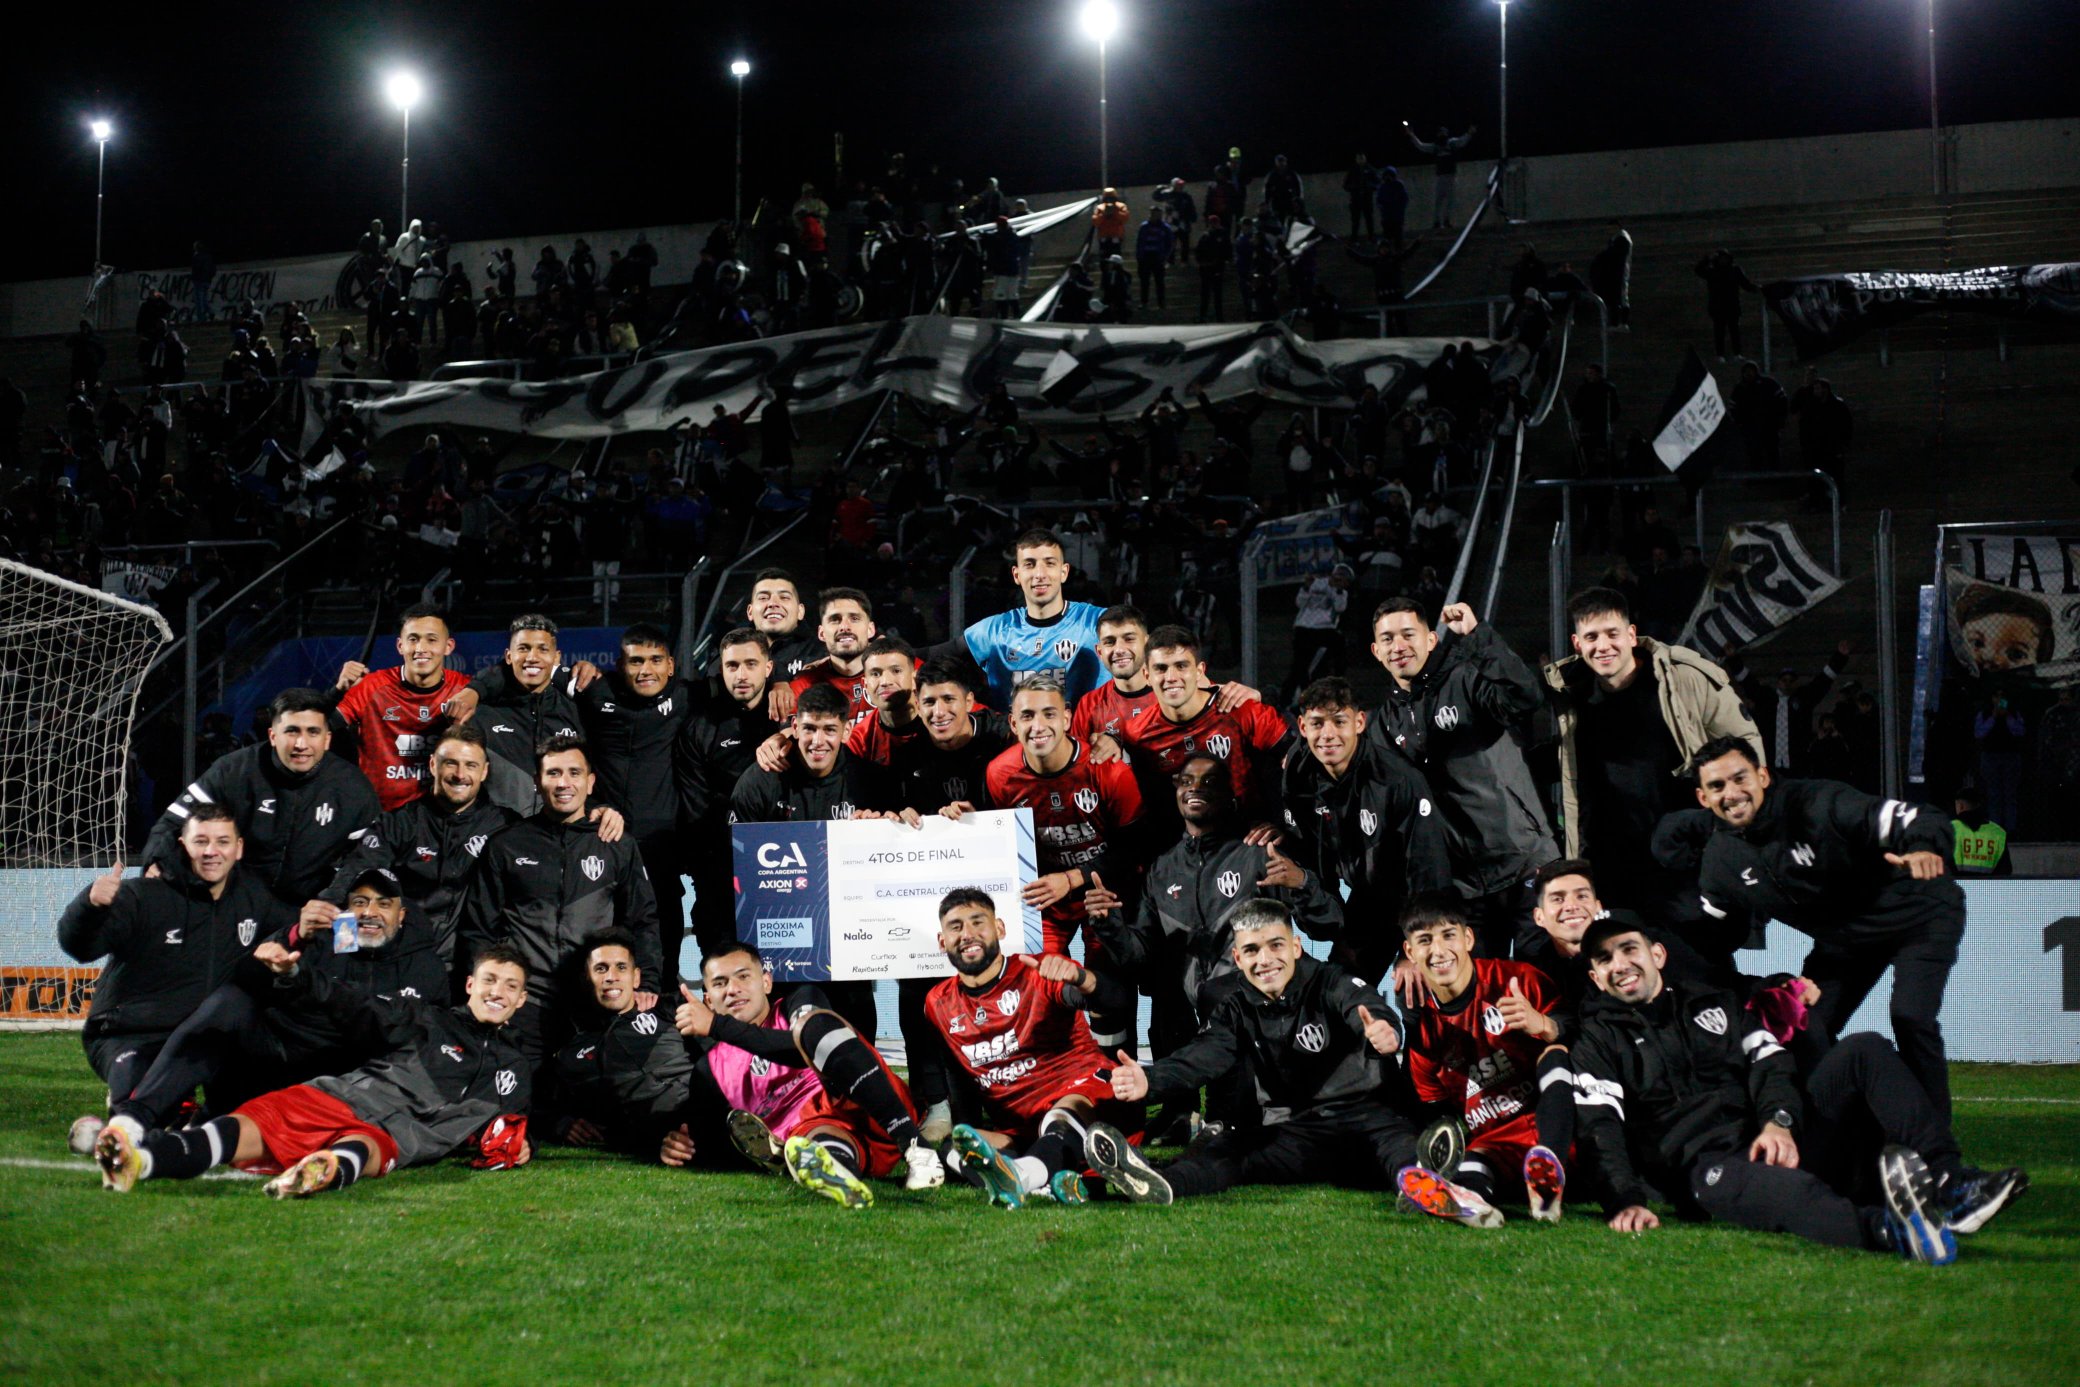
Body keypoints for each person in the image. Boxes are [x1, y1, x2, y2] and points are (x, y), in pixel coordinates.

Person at [1568, 914, 2023, 1261]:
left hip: (1779, 1139)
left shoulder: (1715, 1004)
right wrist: (1623, 1201)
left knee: (1863, 1050)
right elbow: (1598, 1127)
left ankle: (1950, 1183)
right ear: (1595, 978)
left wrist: (1778, 1121)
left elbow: (1772, 1064)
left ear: (1657, 955)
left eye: (1629, 949)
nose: (1620, 965)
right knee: (1792, 1196)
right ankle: (1895, 1231)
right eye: (1604, 960)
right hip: (1706, 1170)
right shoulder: (1597, 1040)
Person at [94, 941, 535, 1199]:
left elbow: (509, 1128)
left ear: (520, 1000)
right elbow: (352, 1002)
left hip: (391, 1138)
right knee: (240, 1131)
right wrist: (298, 973)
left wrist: (521, 1144)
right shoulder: (425, 1018)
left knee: (366, 1147)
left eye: (510, 986)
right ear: (471, 985)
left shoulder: (515, 1070)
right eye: (491, 980)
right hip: (341, 1099)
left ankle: (323, 1170)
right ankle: (142, 1160)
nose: (498, 991)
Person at [1689, 734, 1969, 1120]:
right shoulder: (1721, 860)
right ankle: (1838, 1141)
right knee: (1802, 1025)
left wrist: (1923, 847)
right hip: (1846, 943)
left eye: (1740, 779)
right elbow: (1708, 939)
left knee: (1910, 1016)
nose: (1732, 793)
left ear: (1763, 776)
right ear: (1703, 798)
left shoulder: (1818, 803)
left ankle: (1934, 1152)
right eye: (1717, 786)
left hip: (1920, 912)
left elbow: (1920, 818)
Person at [98, 866, 450, 1144]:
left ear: (401, 916)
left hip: (342, 1081)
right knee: (228, 1003)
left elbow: (407, 1037)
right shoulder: (324, 937)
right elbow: (247, 974)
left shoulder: (424, 966)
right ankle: (134, 1118)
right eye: (359, 902)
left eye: (383, 904)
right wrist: (290, 936)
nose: (369, 912)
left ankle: (207, 1122)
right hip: (281, 1054)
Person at [1105, 899, 1416, 1205]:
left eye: (1276, 945)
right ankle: (1162, 1184)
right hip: (1299, 1133)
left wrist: (1384, 1029)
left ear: (1296, 947)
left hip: (1367, 1122)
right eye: (1252, 950)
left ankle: (1422, 1181)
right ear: (1238, 958)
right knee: (1229, 1148)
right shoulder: (1235, 1007)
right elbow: (1205, 1054)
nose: (1265, 960)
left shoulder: (1331, 980)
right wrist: (1150, 1080)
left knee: (1398, 1146)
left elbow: (1364, 1007)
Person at [59, 808, 311, 1144]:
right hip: (133, 1033)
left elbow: (292, 929)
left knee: (252, 1105)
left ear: (239, 848)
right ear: (183, 844)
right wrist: (90, 906)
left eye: (222, 842)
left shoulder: (253, 899)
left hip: (206, 1038)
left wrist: (307, 926)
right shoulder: (143, 895)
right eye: (201, 841)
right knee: (144, 1098)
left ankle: (188, 1118)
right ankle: (143, 1117)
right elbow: (80, 947)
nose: (211, 851)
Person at [1543, 587, 1762, 942]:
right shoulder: (1570, 696)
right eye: (1592, 637)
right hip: (1611, 870)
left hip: (1686, 863)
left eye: (1613, 634)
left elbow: (1746, 747)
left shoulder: (1681, 677)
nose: (1604, 646)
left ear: (1631, 634)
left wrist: (1745, 832)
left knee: (1701, 968)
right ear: (1577, 643)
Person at [924, 889, 1156, 1208]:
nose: (967, 934)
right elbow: (959, 1072)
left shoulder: (1037, 969)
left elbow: (1115, 1001)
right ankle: (1060, 1178)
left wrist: (1082, 978)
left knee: (1059, 1120)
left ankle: (1023, 1177)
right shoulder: (938, 1002)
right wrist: (969, 1125)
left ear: (1000, 929)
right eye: (956, 927)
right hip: (1021, 1128)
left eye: (978, 922)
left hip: (1086, 1098)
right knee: (955, 1149)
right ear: (942, 942)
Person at [668, 939, 943, 1207]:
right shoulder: (710, 1070)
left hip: (870, 1102)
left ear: (766, 982)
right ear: (708, 999)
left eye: (743, 977)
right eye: (720, 984)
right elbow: (709, 1141)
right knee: (812, 1141)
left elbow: (805, 1049)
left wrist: (718, 1026)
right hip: (821, 1135)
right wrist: (676, 1146)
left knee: (815, 1028)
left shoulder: (799, 1000)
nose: (733, 989)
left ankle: (916, 1145)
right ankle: (837, 1172)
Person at [1368, 598, 1554, 960]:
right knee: (1482, 1002)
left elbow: (1526, 697)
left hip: (1522, 861)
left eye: (1408, 634)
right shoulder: (1382, 724)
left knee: (1544, 985)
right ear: (1376, 651)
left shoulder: (1466, 678)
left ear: (1431, 640)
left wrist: (1477, 635)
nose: (1399, 646)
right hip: (1462, 887)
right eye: (1388, 639)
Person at [461, 735, 660, 1066]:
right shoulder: (506, 844)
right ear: (537, 782)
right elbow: (479, 929)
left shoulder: (615, 843)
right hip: (526, 1005)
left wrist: (648, 980)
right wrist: (490, 997)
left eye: (574, 773)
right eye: (553, 773)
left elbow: (642, 920)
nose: (564, 783)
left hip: (594, 1003)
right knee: (525, 1104)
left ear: (590, 781)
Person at [728, 682, 904, 1034]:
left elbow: (893, 865)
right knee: (790, 1040)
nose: (817, 741)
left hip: (850, 937)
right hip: (781, 940)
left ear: (847, 730)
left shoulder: (869, 782)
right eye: (808, 728)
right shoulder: (760, 782)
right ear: (794, 727)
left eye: (829, 730)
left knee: (856, 1034)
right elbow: (735, 867)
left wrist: (885, 831)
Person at [1394, 896, 1572, 1227]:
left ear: (1468, 939)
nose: (1439, 950)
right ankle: (1472, 1203)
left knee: (1557, 1055)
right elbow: (1435, 1107)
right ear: (1410, 953)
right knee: (1474, 1162)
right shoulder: (1424, 1033)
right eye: (1424, 940)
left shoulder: (1517, 980)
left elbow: (1577, 1037)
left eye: (1448, 935)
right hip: (1498, 1145)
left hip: (1560, 1132)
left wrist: (1544, 1025)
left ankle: (1550, 1173)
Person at [141, 688, 381, 911]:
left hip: (307, 911)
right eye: (292, 731)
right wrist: (157, 862)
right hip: (232, 905)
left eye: (313, 732)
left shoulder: (352, 787)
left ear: (327, 739)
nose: (301, 744)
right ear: (273, 735)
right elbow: (174, 822)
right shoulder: (233, 771)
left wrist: (331, 899)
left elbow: (367, 855)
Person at [1279, 678, 1452, 981]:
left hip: (1415, 899)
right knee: (1337, 989)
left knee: (1416, 989)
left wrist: (1416, 946)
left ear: (1359, 722)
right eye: (1317, 724)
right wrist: (1338, 933)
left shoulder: (1396, 780)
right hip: (1367, 899)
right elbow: (1312, 859)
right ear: (1303, 728)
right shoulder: (1297, 775)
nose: (1328, 735)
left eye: (1339, 722)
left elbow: (1428, 871)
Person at [317, 724, 527, 965]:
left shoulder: (505, 825)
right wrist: (343, 956)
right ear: (432, 765)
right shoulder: (399, 824)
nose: (460, 774)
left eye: (471, 765)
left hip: (469, 966)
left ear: (484, 772)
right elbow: (353, 880)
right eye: (450, 763)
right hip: (403, 959)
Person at [565, 623, 697, 985]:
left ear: (671, 666)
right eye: (635, 661)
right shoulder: (593, 694)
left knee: (664, 933)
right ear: (619, 665)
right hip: (604, 838)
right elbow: (538, 677)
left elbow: (742, 685)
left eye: (656, 660)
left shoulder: (688, 696)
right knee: (604, 933)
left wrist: (779, 678)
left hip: (661, 845)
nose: (646, 670)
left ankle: (665, 1007)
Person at [1097, 624, 1290, 838]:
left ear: (1199, 671)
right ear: (1147, 675)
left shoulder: (1242, 710)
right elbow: (1153, 805)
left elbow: (1293, 761)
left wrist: (1280, 823)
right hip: (1190, 846)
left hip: (1251, 837)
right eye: (1161, 668)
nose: (1171, 677)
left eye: (1181, 666)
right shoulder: (1137, 735)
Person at [674, 629, 785, 958]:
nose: (741, 674)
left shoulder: (791, 719)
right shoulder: (700, 727)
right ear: (720, 670)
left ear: (768, 668)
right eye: (732, 665)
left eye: (751, 664)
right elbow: (696, 810)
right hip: (721, 872)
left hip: (787, 871)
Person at [329, 604, 472, 813]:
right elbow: (322, 726)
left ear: (448, 646)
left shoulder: (466, 690)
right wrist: (337, 691)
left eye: (431, 640)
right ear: (400, 646)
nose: (421, 648)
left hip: (439, 815)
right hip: (379, 814)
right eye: (413, 639)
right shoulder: (372, 687)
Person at [448, 615, 586, 816]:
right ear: (509, 656)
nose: (532, 657)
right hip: (499, 836)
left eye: (542, 649)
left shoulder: (577, 711)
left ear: (556, 658)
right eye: (523, 648)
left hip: (560, 837)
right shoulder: (481, 714)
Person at [959, 529, 1110, 710]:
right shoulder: (994, 631)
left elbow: (1144, 654)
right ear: (1016, 575)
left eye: (1049, 563)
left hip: (1082, 737)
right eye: (1030, 564)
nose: (1040, 574)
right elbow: (929, 656)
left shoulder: (1097, 622)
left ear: (1064, 572)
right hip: (1016, 738)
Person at [1735, 640, 1851, 776]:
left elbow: (1823, 681)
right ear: (1778, 682)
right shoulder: (1767, 699)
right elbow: (1748, 682)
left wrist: (1840, 657)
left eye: (1791, 680)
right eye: (1784, 680)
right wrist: (1733, 659)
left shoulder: (1803, 699)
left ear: (1796, 683)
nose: (1787, 683)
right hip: (1769, 764)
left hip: (1797, 765)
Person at [790, 587, 882, 726]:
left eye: (855, 618)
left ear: (870, 630)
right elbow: (788, 733)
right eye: (835, 619)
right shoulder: (804, 685)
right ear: (821, 633)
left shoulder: (901, 672)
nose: (845, 626)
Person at [741, 567, 824, 686]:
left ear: (800, 611)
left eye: (784, 597)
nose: (773, 603)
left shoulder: (823, 655)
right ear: (750, 612)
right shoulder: (730, 656)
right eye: (763, 598)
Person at [1281, 564, 1351, 701]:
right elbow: (1299, 603)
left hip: (1325, 629)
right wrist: (1306, 587)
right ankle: (1290, 698)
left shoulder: (1342, 592)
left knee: (1335, 649)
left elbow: (1340, 607)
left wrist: (1338, 590)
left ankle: (1338, 681)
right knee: (1300, 665)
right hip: (1304, 627)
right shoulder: (1315, 583)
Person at [1404, 123, 1476, 229]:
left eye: (1444, 133)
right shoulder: (1436, 147)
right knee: (1439, 200)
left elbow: (1462, 141)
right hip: (1441, 176)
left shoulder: (1451, 143)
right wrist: (1412, 135)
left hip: (1450, 175)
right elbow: (1422, 146)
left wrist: (1469, 134)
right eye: (1441, 133)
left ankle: (1446, 220)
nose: (1442, 135)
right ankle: (1437, 222)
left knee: (1449, 200)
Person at [1694, 249, 1761, 361]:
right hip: (1717, 306)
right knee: (1719, 331)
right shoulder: (1712, 271)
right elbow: (1698, 270)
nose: (1723, 260)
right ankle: (1720, 354)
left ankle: (1737, 353)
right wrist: (1707, 259)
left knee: (1734, 330)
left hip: (1732, 305)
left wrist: (1756, 288)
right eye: (1721, 258)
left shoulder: (1735, 270)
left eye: (1725, 258)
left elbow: (1745, 284)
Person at [1951, 784, 2012, 876]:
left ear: (1960, 806)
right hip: (1987, 889)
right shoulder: (1999, 833)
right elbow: (2005, 871)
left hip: (1955, 888)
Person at [1135, 209, 1174, 310]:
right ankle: (1144, 302)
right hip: (1145, 257)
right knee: (1144, 281)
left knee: (1159, 281)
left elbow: (1170, 243)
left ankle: (1161, 303)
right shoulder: (1144, 226)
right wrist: (1139, 256)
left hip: (1158, 257)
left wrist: (1165, 257)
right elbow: (1139, 242)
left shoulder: (1165, 228)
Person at [1344, 155, 1380, 238]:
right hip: (1355, 200)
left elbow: (1378, 182)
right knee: (1355, 221)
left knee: (1369, 219)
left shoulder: (1370, 169)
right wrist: (1354, 188)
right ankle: (1354, 238)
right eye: (1359, 158)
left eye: (1362, 158)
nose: (1360, 160)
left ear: (1365, 158)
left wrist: (1370, 187)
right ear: (1356, 159)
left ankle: (1371, 237)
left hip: (1367, 199)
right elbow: (1345, 185)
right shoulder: (1352, 170)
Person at [1092, 188, 1130, 260]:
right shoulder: (1100, 208)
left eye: (1111, 198)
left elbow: (1125, 218)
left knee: (1116, 257)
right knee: (1104, 258)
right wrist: (1104, 214)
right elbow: (1095, 221)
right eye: (1107, 198)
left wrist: (1115, 212)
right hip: (1104, 237)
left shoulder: (1121, 206)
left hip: (1116, 236)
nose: (1109, 200)